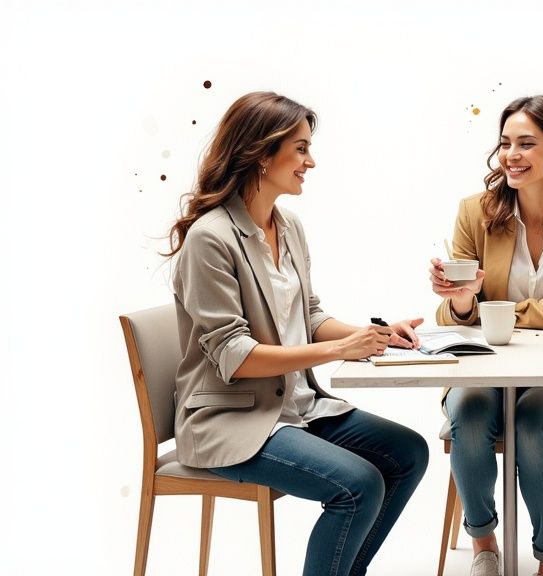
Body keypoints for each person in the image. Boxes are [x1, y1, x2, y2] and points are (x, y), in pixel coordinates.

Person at [165, 91, 428, 576]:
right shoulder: (211, 238)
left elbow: (307, 315)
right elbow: (234, 355)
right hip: (232, 419)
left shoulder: (288, 226)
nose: (311, 161)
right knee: (358, 484)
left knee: (407, 453)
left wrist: (376, 335)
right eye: (301, 148)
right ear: (263, 154)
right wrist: (337, 350)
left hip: (298, 405)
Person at [428, 95, 543, 576]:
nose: (511, 153)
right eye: (506, 142)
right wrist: (464, 298)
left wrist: (496, 310)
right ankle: (484, 542)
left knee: (534, 426)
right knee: (468, 416)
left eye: (527, 143)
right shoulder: (475, 212)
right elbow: (455, 317)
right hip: (481, 366)